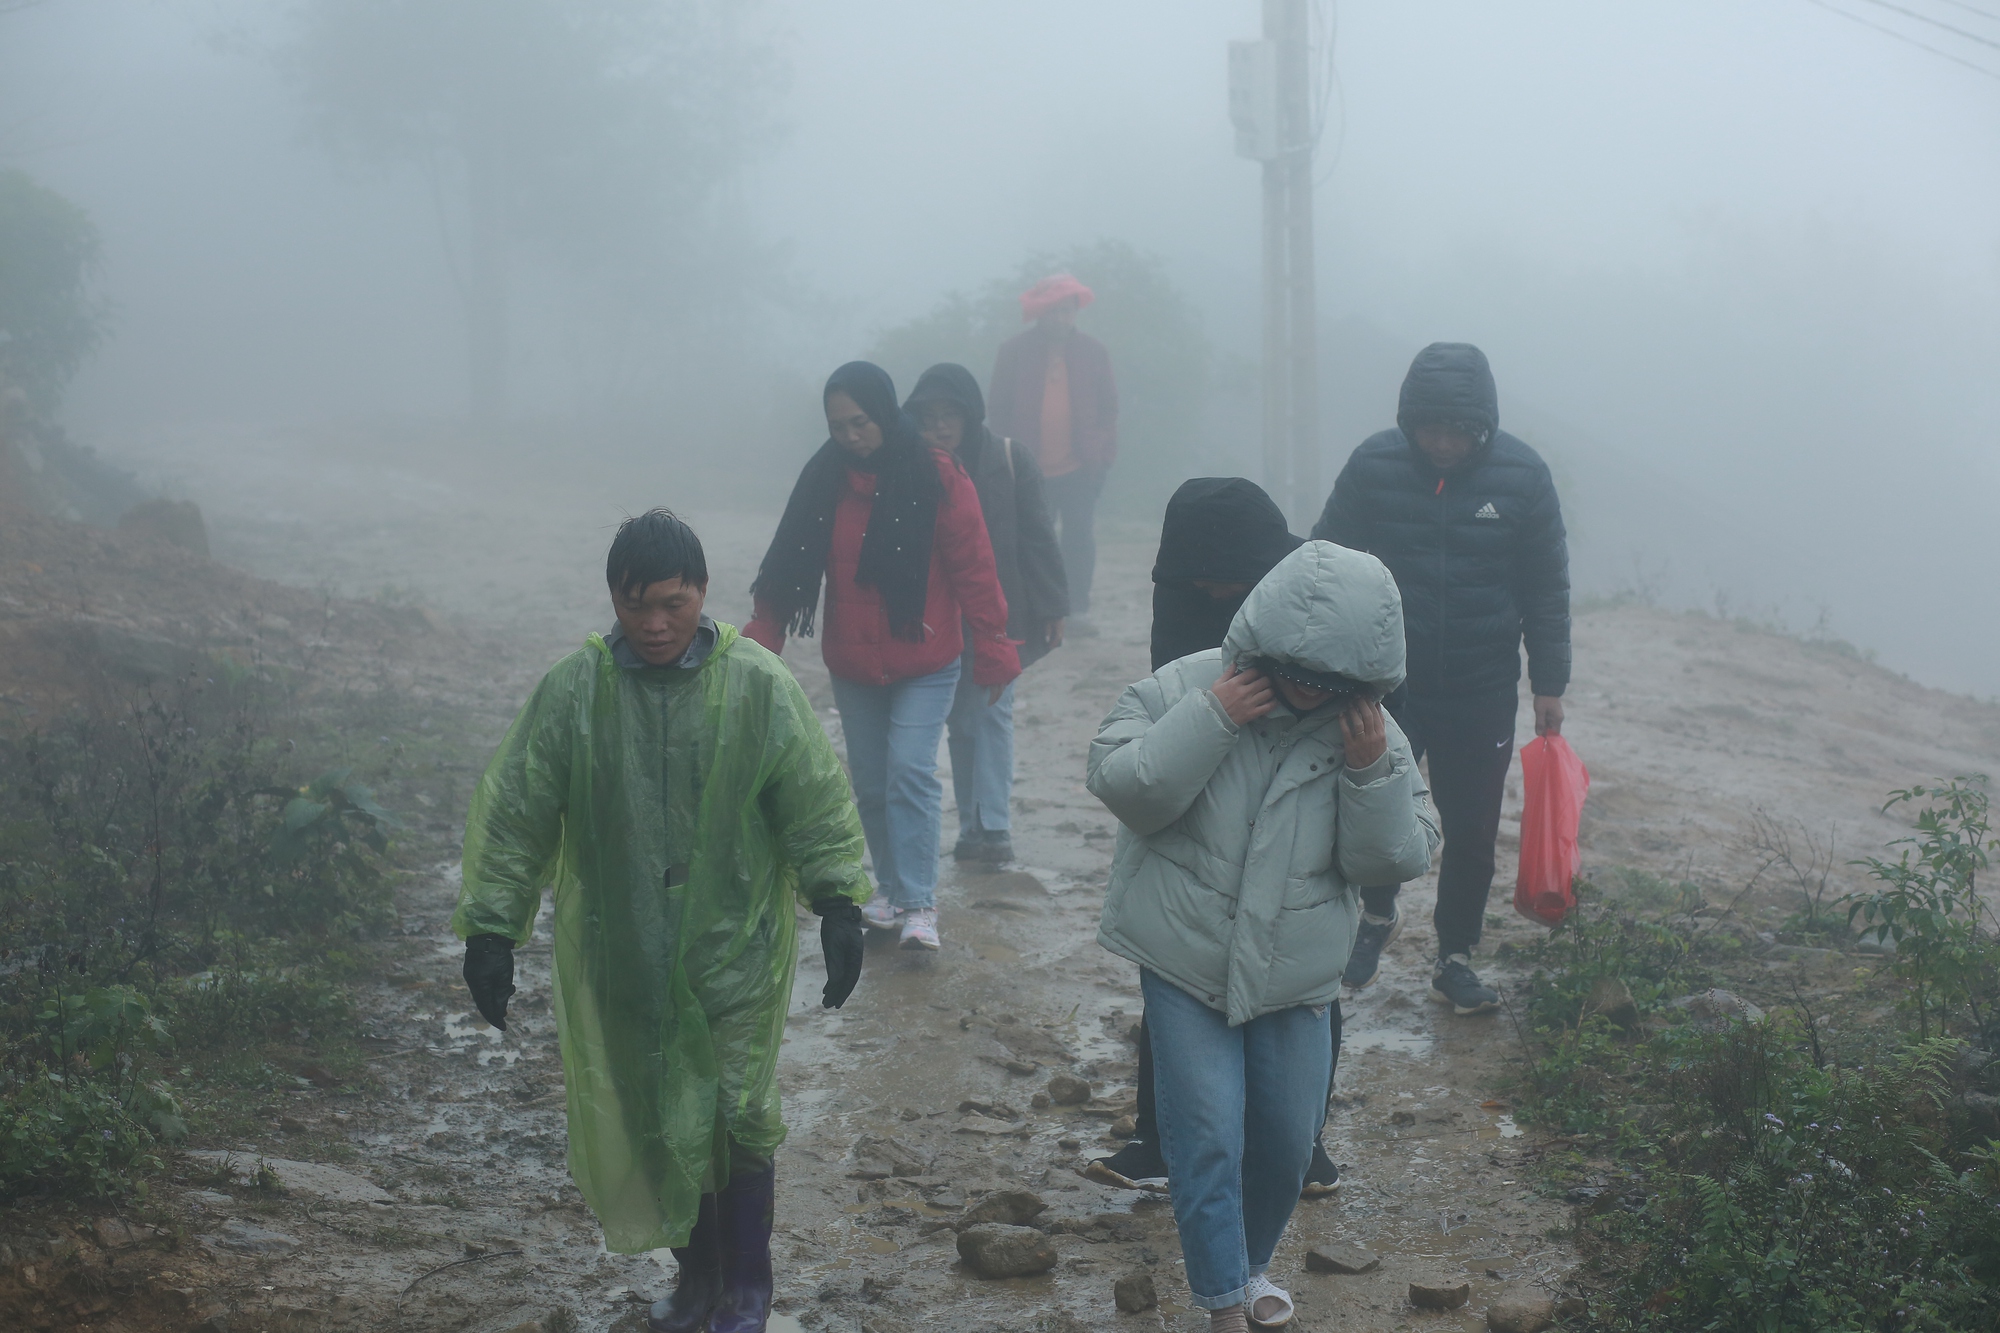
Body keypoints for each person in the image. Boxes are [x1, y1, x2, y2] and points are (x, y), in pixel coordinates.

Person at [453, 509, 871, 1333]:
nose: (653, 624)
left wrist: (840, 903)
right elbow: (518, 813)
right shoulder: (577, 693)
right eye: (636, 604)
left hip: (734, 949)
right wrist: (492, 931)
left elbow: (814, 802)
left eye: (673, 605)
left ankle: (748, 1285)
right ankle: (698, 1277)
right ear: (612, 595)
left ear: (703, 593)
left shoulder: (757, 685)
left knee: (737, 1111)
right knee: (653, 1108)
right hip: (626, 949)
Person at [1088, 541, 1440, 1332]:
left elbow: (1396, 856)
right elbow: (1123, 785)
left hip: (1298, 973)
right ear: (1264, 640)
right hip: (1184, 958)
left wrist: (1369, 772)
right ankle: (1223, 1306)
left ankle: (1245, 1271)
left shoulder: (1372, 734)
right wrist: (1213, 718)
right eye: (1296, 669)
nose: (1309, 690)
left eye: (1331, 679)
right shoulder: (1190, 683)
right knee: (1207, 1130)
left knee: (1286, 1141)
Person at [1097, 478, 1354, 1199]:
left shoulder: (1320, 586)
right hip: (1208, 777)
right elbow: (1165, 693)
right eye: (1191, 579)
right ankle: (1159, 1137)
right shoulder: (1183, 587)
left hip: (1304, 788)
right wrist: (1210, 722)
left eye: (1219, 578)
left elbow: (1370, 685)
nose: (1204, 588)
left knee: (1300, 963)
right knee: (1177, 958)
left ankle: (1306, 1146)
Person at [1312, 342, 1571, 1015]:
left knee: (1473, 828)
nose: (1445, 443)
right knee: (1374, 805)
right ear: (1409, 421)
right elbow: (1324, 561)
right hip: (1384, 680)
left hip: (1482, 686)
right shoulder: (1374, 466)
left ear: (1483, 427)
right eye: (1431, 429)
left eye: (1459, 431)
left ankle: (1455, 954)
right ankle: (1375, 915)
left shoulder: (1523, 476)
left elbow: (1547, 589)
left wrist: (1550, 682)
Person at [746, 361, 1019, 951]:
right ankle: (890, 892)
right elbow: (791, 558)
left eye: (860, 422)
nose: (850, 436)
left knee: (910, 771)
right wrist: (766, 628)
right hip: (854, 662)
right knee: (870, 782)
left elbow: (974, 565)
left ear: (885, 412)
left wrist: (993, 643)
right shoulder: (825, 478)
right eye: (838, 425)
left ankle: (921, 904)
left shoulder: (936, 473)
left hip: (927, 657)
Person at [902, 362, 1069, 867]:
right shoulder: (910, 466)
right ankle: (974, 825)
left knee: (993, 715)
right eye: (929, 416)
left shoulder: (1008, 458)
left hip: (1003, 614)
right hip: (940, 617)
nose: (940, 426)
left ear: (970, 415)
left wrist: (1054, 605)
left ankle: (992, 827)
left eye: (950, 414)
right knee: (963, 721)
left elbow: (1038, 536)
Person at [987, 273, 1118, 624]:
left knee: (1078, 537)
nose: (1060, 319)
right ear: (1039, 314)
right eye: (1053, 312)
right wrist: (1004, 458)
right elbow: (997, 409)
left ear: (1075, 312)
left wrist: (1102, 456)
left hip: (1080, 468)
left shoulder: (1093, 352)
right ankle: (1039, 609)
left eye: (1066, 311)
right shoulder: (1013, 352)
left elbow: (1109, 409)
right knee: (1032, 541)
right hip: (1028, 469)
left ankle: (1077, 610)